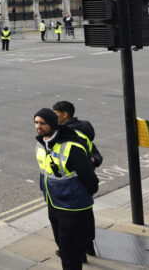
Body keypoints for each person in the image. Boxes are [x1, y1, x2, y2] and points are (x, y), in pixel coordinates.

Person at [34, 108, 98, 269]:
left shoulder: (71, 147)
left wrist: (82, 195)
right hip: (53, 202)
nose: (38, 126)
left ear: (53, 124)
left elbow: (90, 179)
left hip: (72, 206)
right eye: (36, 122)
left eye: (43, 123)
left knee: (70, 250)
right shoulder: (42, 142)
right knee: (63, 245)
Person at [53, 100, 102, 257]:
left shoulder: (68, 134)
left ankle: (76, 252)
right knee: (87, 216)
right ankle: (88, 247)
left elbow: (91, 156)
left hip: (74, 183)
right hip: (85, 181)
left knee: (71, 221)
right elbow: (97, 155)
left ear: (65, 114)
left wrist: (89, 162)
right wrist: (93, 161)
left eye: (55, 114)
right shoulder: (83, 131)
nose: (53, 117)